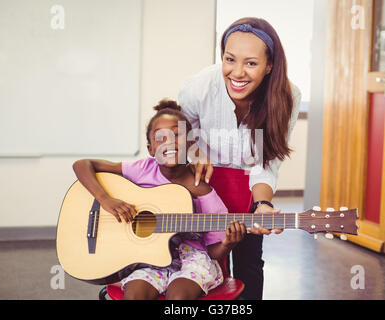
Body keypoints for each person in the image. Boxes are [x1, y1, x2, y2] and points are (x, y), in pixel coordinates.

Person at [178, 17, 302, 300]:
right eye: (229, 59)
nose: (237, 72)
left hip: (248, 187)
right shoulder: (198, 87)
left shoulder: (288, 97)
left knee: (248, 262)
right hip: (203, 184)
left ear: (269, 66)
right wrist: (195, 153)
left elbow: (267, 162)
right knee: (200, 260)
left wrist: (262, 204)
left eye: (251, 63)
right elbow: (179, 137)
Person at [72, 99, 246, 300]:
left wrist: (228, 243)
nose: (169, 141)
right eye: (160, 137)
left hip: (192, 260)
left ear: (191, 144)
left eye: (177, 134)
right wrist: (105, 199)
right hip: (147, 259)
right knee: (134, 296)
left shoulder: (203, 192)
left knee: (178, 297)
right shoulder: (143, 169)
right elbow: (82, 164)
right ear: (150, 149)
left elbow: (214, 252)